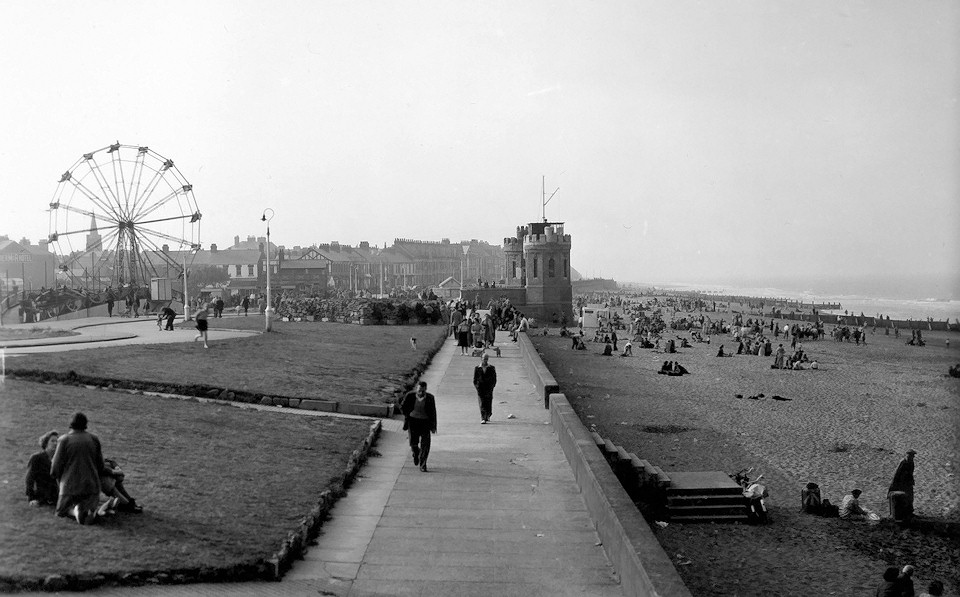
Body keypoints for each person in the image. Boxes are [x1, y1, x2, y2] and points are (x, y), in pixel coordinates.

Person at [51, 413, 106, 525]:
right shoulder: (94, 439)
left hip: (70, 487)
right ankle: (87, 511)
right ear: (85, 425)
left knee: (60, 512)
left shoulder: (64, 440)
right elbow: (101, 466)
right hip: (91, 486)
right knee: (89, 507)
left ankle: (75, 512)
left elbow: (55, 469)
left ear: (71, 425)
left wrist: (58, 482)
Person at [400, 381, 437, 472]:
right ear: (417, 388)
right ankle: (416, 453)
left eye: (423, 391)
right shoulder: (410, 396)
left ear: (426, 390)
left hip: (425, 423)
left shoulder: (430, 398)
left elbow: (433, 412)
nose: (420, 393)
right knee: (413, 443)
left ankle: (423, 464)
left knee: (426, 444)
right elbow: (402, 407)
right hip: (413, 422)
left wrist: (433, 426)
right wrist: (407, 414)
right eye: (419, 390)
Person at [25, 430, 59, 506]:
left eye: (57, 441)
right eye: (52, 441)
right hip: (41, 495)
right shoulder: (36, 458)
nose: (55, 443)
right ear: (46, 443)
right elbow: (29, 478)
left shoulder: (59, 459)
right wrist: (31, 498)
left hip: (56, 495)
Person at [888, 449, 916, 520]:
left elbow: (911, 473)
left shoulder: (911, 463)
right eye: (910, 455)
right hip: (902, 482)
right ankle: (901, 513)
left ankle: (909, 511)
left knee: (910, 497)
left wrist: (911, 480)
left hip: (908, 482)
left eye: (912, 456)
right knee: (902, 497)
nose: (911, 457)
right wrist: (894, 484)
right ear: (907, 455)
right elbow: (897, 473)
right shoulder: (903, 462)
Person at [473, 353, 498, 424]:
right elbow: (475, 379)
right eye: (484, 359)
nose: (485, 360)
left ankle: (488, 414)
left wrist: (492, 386)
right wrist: (477, 386)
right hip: (480, 388)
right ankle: (483, 417)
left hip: (489, 388)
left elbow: (494, 378)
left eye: (486, 359)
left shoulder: (491, 368)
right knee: (482, 402)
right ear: (481, 358)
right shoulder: (477, 368)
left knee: (488, 402)